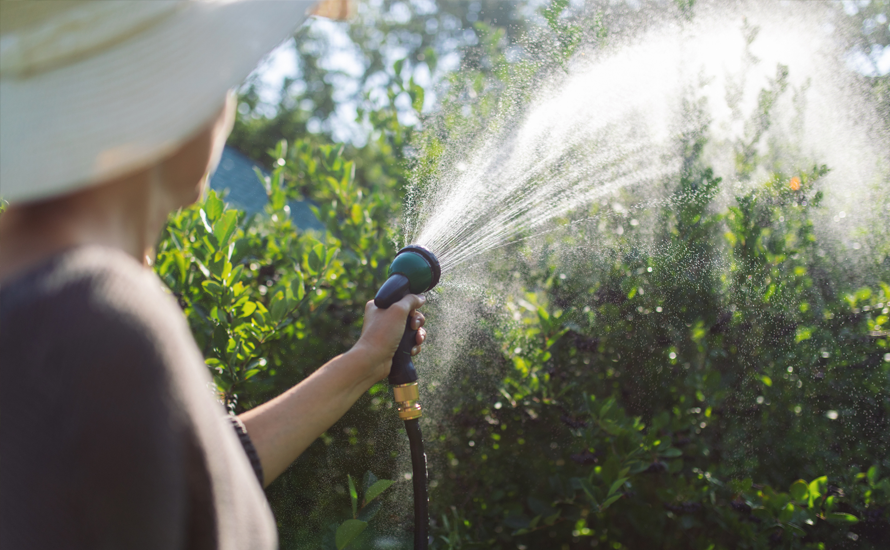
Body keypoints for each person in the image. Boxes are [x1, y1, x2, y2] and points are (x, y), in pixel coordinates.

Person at [0, 1, 426, 548]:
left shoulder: (46, 301)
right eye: (220, 78)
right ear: (178, 99)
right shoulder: (93, 317)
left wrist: (363, 361)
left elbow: (197, 485)